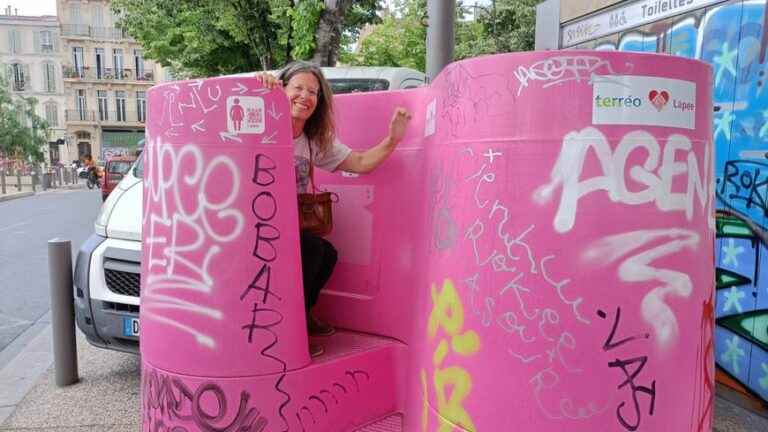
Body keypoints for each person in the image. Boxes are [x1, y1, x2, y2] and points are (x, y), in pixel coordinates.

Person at [256, 61, 411, 357]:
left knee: (326, 254)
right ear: (281, 89)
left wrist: (393, 139)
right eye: (297, 88)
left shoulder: (312, 140)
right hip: (258, 227)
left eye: (313, 92)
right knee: (313, 250)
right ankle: (290, 331)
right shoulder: (261, 123)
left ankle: (302, 315)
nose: (305, 96)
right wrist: (259, 85)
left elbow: (361, 163)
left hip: (289, 228)